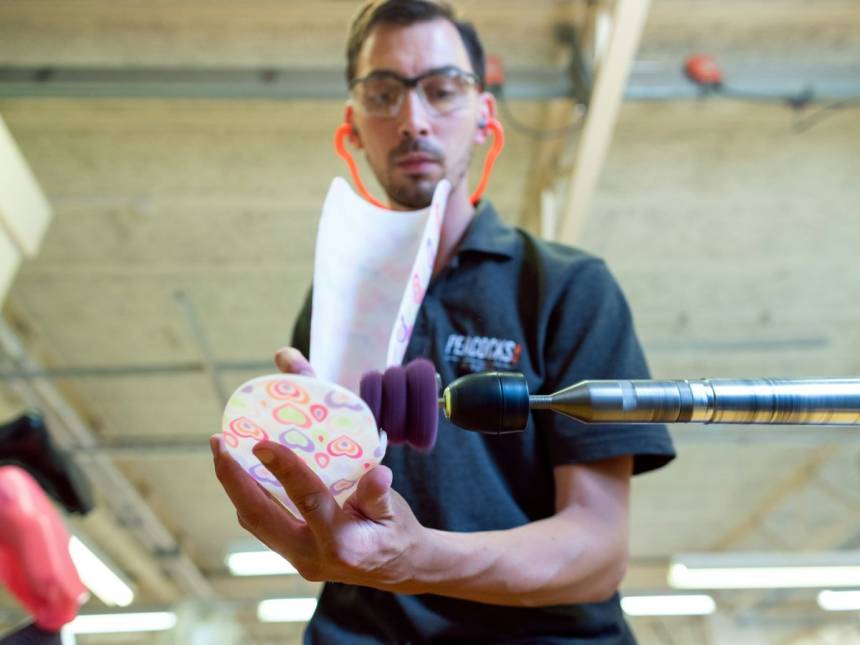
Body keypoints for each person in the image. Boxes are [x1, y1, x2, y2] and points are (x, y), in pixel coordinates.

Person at [211, 1, 676, 642]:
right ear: (354, 123)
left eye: (442, 89)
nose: (412, 119)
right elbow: (338, 519)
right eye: (383, 93)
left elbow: (597, 551)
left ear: (484, 117)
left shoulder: (568, 286)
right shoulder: (330, 303)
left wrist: (418, 561)